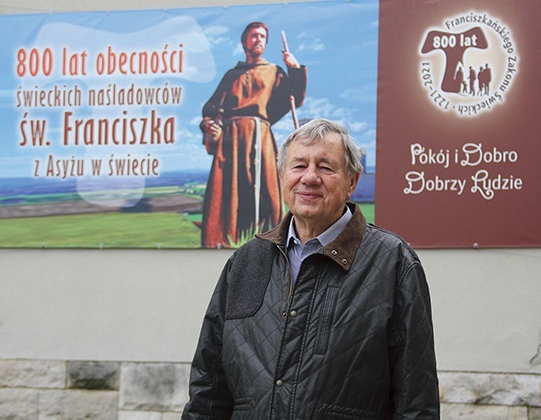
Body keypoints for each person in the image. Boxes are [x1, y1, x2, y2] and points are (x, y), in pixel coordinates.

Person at [183, 118, 440, 419]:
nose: (310, 178)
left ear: (352, 182)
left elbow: (417, 401)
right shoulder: (247, 262)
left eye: (326, 167)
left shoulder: (393, 262)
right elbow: (208, 387)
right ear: (282, 176)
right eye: (299, 165)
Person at [199, 21, 307, 248]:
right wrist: (209, 125)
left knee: (266, 189)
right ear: (244, 41)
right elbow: (209, 110)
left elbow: (293, 98)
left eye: (262, 37)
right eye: (253, 35)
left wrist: (295, 70)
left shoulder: (274, 72)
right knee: (229, 191)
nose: (258, 39)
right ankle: (225, 239)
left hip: (260, 136)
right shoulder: (232, 75)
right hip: (231, 140)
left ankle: (269, 244)